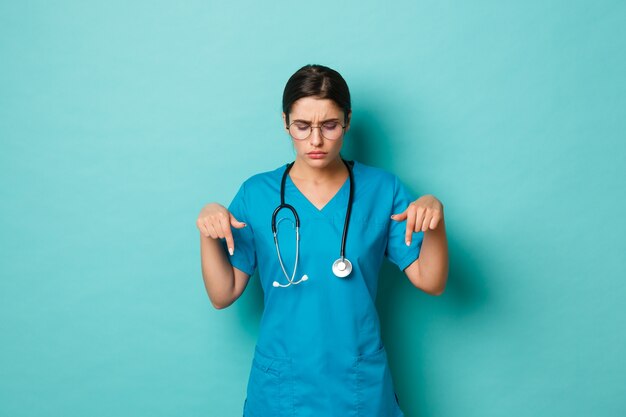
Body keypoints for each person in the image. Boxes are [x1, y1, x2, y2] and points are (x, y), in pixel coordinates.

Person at [197, 64, 449, 417]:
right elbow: (222, 295)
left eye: (329, 125)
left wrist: (435, 220)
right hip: (283, 385)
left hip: (356, 382)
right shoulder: (257, 194)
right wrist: (207, 230)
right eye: (302, 126)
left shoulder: (382, 190)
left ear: (346, 121)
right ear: (285, 122)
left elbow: (431, 281)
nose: (316, 140)